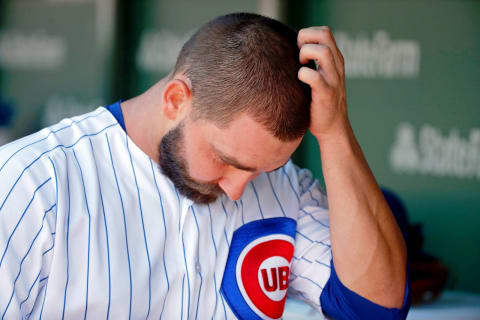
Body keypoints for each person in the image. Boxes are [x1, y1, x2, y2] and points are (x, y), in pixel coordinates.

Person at [0, 13, 410, 319]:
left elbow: (375, 308)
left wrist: (336, 133)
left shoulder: (285, 188)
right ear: (176, 100)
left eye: (260, 170)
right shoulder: (34, 184)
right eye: (226, 161)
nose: (237, 190)